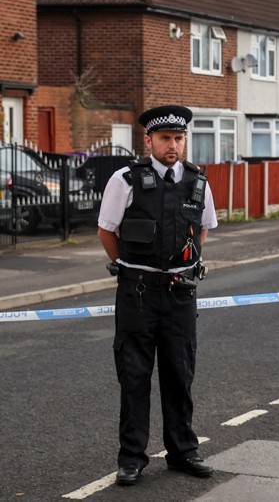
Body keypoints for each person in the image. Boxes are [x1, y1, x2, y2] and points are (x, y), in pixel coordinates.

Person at [97, 105, 218, 486]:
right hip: (138, 293)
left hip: (180, 293)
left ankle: (183, 451)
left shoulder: (198, 182)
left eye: (179, 138)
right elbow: (106, 231)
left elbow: (202, 230)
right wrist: (128, 267)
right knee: (134, 377)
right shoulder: (126, 179)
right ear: (148, 140)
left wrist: (186, 264)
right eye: (165, 138)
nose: (173, 145)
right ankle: (132, 457)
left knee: (180, 374)